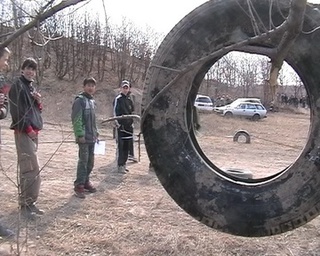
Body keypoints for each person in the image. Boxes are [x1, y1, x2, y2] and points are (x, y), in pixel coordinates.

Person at [9, 57, 44, 219]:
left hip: (33, 133)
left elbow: (36, 111)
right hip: (24, 132)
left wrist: (38, 101)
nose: (30, 71)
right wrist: (29, 129)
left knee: (33, 169)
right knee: (30, 168)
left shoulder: (30, 87)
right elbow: (18, 113)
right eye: (28, 68)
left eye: (33, 69)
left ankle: (31, 203)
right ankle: (25, 205)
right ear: (22, 69)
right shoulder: (17, 86)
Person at [71, 77, 99, 198]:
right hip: (83, 138)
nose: (90, 88)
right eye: (88, 85)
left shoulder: (92, 102)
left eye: (92, 86)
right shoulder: (79, 101)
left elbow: (93, 121)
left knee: (90, 162)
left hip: (92, 137)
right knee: (83, 161)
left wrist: (96, 133)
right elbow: (76, 119)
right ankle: (79, 185)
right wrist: (79, 134)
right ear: (84, 87)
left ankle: (86, 181)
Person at [0, 46, 15, 238]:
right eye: (5, 59)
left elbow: (4, 109)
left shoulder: (1, 81)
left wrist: (2, 110)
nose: (6, 63)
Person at [113, 80, 134, 173]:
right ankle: (120, 165)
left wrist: (132, 123)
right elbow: (115, 112)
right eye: (124, 87)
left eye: (127, 87)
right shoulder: (118, 99)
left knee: (127, 146)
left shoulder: (130, 100)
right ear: (121, 88)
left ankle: (124, 164)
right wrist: (118, 124)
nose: (125, 89)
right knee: (121, 146)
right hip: (121, 126)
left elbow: (131, 112)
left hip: (129, 127)